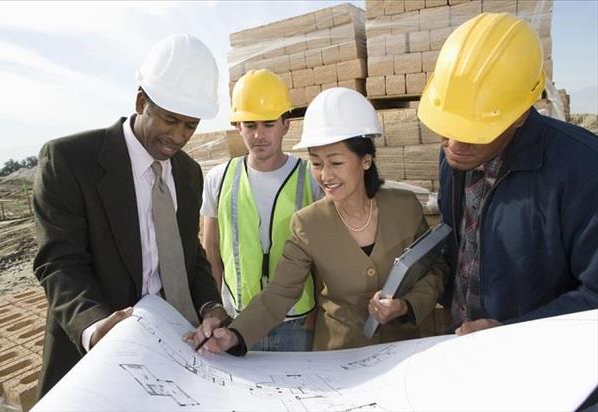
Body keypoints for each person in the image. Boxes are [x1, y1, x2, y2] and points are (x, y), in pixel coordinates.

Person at [32, 34, 227, 398]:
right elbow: (59, 263)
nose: (179, 136)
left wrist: (210, 305)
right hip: (93, 357)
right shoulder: (70, 161)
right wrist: (95, 326)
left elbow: (190, 256)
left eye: (190, 125)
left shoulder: (188, 174)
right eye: (170, 120)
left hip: (169, 347)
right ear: (141, 101)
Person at [186, 87, 445, 355]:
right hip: (339, 356)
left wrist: (406, 306)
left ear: (365, 160)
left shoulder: (404, 207)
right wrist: (234, 334)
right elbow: (280, 293)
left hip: (403, 352)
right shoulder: (308, 223)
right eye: (317, 163)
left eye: (335, 162)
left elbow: (434, 269)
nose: (325, 175)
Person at [417, 13, 598, 336]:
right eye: (447, 126)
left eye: (473, 131)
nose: (454, 144)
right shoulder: (454, 161)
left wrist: (512, 332)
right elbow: (459, 250)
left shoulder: (583, 171)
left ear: (518, 117)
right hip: (464, 345)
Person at [200, 69, 320, 351]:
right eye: (250, 125)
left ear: (286, 124)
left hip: (297, 321)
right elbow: (211, 252)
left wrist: (319, 310)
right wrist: (217, 310)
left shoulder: (310, 178)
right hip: (237, 321)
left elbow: (323, 256)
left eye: (268, 124)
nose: (259, 135)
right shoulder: (219, 178)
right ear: (237, 126)